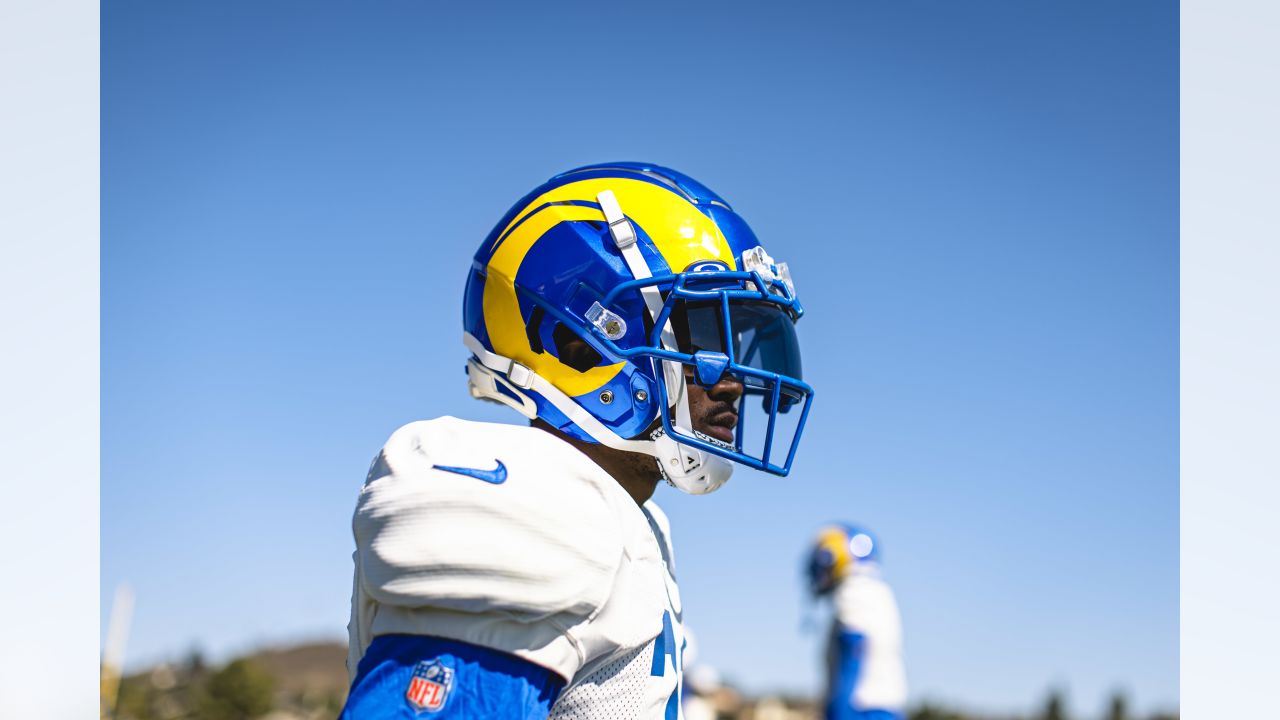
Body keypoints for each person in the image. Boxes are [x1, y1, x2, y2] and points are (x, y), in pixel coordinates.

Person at [340, 162, 814, 719]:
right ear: (582, 341)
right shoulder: (528, 504)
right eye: (708, 334)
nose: (733, 380)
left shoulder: (629, 519)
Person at [805, 524, 908, 720]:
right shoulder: (876, 592)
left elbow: (852, 655)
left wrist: (839, 712)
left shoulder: (853, 594)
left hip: (862, 710)